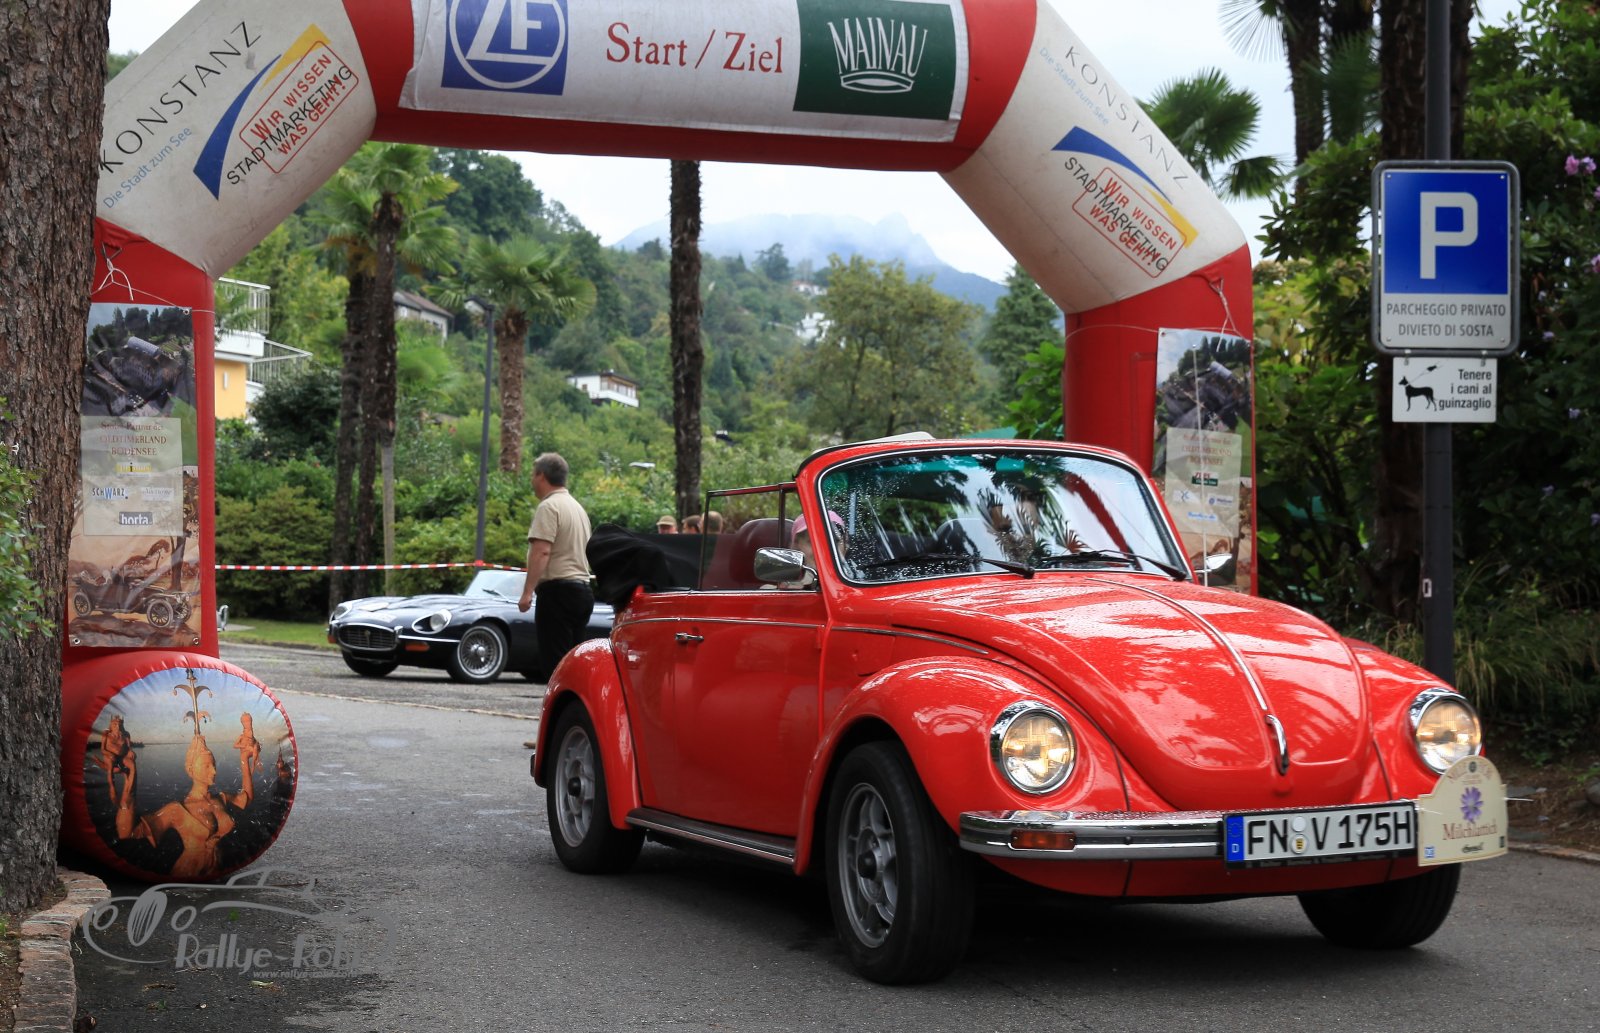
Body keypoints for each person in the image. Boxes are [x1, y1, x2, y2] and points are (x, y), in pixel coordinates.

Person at [518, 453, 596, 683]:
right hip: (582, 591)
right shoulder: (577, 508)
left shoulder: (549, 506)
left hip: (558, 592)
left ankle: (558, 704)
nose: (532, 480)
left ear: (542, 476)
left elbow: (542, 551)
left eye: (533, 475)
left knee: (555, 666)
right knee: (573, 664)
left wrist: (527, 592)